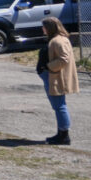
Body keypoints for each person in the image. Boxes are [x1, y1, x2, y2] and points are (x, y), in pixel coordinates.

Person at [37, 16, 79, 145]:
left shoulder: (58, 41)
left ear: (50, 27)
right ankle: (60, 133)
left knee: (59, 106)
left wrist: (48, 67)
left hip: (56, 77)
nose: (42, 29)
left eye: (44, 26)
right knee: (58, 105)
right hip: (51, 76)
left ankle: (63, 135)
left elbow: (64, 59)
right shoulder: (55, 39)